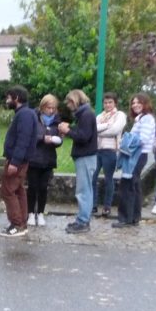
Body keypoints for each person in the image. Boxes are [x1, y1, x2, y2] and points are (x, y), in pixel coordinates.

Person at [0, 86, 37, 237]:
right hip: (18, 159)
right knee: (18, 190)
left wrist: (15, 162)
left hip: (18, 160)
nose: (7, 101)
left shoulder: (25, 115)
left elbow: (23, 140)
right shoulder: (24, 113)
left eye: (9, 98)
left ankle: (17, 224)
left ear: (16, 98)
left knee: (8, 190)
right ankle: (22, 222)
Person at [58, 89, 97, 234]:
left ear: (75, 100)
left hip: (85, 156)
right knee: (85, 189)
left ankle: (83, 221)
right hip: (86, 156)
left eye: (69, 101)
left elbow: (83, 136)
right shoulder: (86, 114)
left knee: (84, 190)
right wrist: (70, 129)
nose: (68, 105)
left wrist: (68, 131)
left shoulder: (86, 115)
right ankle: (82, 218)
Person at [113, 94, 156, 228]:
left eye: (139, 103)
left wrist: (125, 141)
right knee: (134, 186)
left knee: (128, 186)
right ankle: (133, 217)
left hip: (137, 155)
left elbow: (142, 139)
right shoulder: (141, 119)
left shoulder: (146, 119)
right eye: (133, 103)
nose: (135, 105)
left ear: (145, 104)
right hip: (137, 155)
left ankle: (126, 218)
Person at [27, 95, 63, 227]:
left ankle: (41, 213)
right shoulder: (34, 118)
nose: (51, 110)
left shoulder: (56, 122)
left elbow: (59, 140)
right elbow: (30, 136)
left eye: (53, 108)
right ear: (42, 107)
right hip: (34, 158)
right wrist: (43, 138)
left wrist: (57, 140)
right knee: (32, 187)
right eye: (49, 108)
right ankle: (30, 213)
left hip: (48, 159)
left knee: (43, 187)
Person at [92, 92, 127, 218]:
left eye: (110, 102)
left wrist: (100, 130)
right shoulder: (100, 116)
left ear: (115, 103)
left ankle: (107, 206)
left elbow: (115, 130)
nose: (107, 105)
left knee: (108, 179)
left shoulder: (120, 115)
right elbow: (93, 129)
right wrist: (106, 126)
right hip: (97, 149)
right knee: (93, 177)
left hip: (110, 149)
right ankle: (93, 205)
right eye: (105, 102)